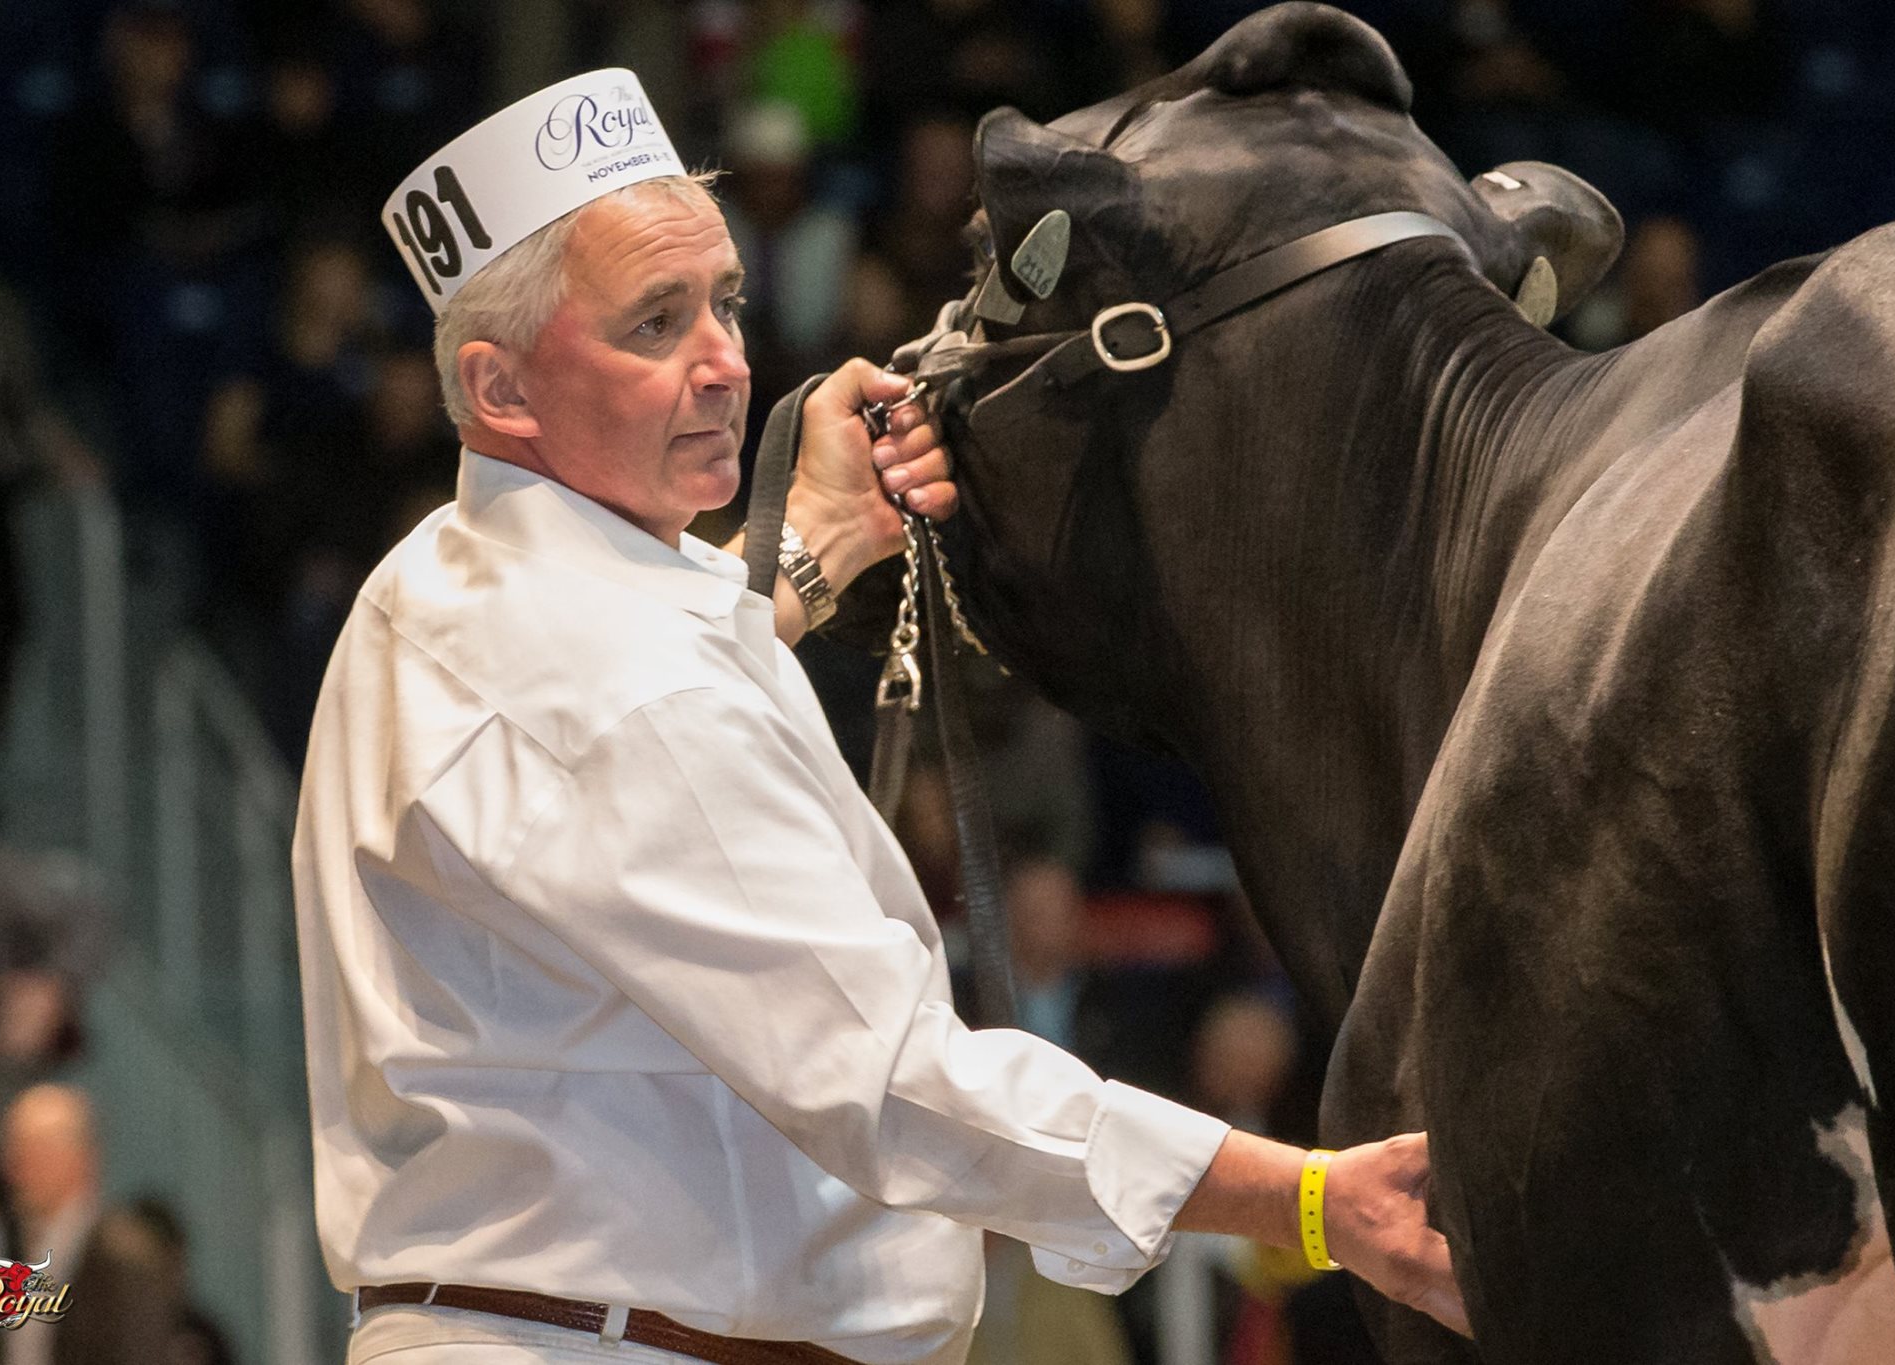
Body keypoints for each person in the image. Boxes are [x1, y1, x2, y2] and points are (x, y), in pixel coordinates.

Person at [295, 69, 1467, 1365]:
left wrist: (814, 550)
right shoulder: (610, 678)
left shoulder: (429, 583)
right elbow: (892, 1084)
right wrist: (1307, 1196)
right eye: (654, 322)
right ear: (500, 388)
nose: (728, 362)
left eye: (727, 301)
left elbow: (632, 718)